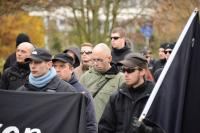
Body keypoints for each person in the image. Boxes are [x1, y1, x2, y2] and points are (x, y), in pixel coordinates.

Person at [98, 53, 164, 133]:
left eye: (130, 70)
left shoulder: (156, 98)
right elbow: (104, 128)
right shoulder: (116, 97)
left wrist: (147, 130)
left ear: (142, 71)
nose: (125, 74)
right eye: (124, 70)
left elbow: (167, 128)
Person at [52, 53, 97, 133]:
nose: (57, 70)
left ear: (71, 69)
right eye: (54, 66)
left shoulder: (82, 93)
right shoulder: (49, 89)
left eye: (62, 66)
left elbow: (90, 124)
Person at [80, 43, 124, 121]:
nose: (96, 63)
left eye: (100, 60)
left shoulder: (120, 78)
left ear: (109, 59)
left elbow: (123, 108)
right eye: (94, 60)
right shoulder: (85, 77)